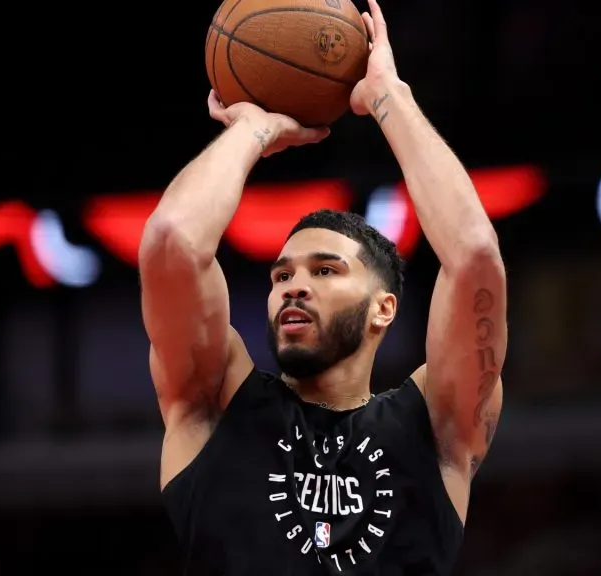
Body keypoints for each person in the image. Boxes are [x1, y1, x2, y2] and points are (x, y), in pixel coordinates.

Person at [139, 1, 506, 573]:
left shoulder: (434, 426)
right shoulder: (215, 406)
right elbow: (171, 241)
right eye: (282, 274)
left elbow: (476, 254)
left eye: (325, 270)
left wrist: (389, 96)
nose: (294, 286)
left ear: (385, 308)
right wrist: (253, 129)